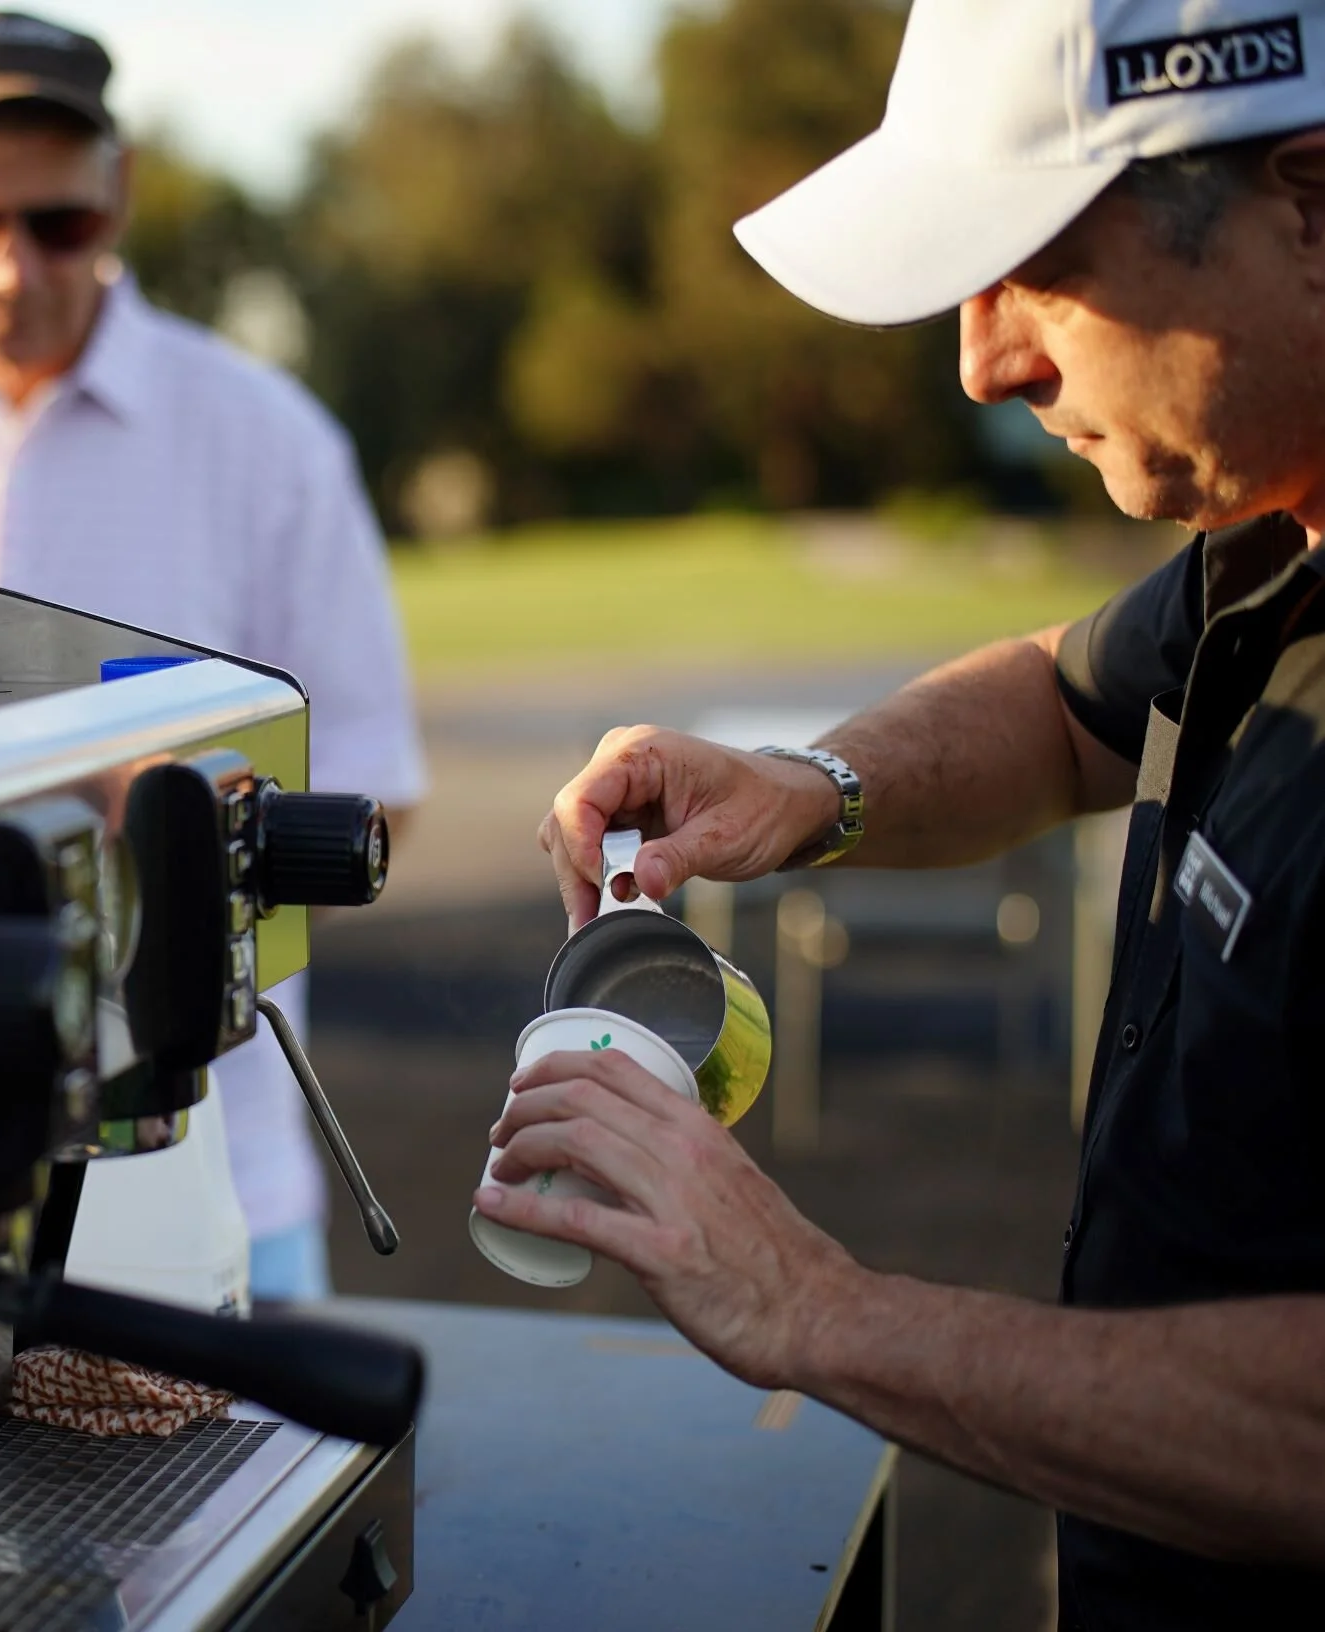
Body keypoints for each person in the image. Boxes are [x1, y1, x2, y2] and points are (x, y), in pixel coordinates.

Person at [489, 1, 1325, 1624]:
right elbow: (1065, 701)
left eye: (1033, 264)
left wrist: (816, 1308)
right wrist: (811, 789)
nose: (982, 358)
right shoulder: (1273, 528)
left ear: (1309, 204)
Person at [0, 13, 427, 1302]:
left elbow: (378, 790)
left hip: (216, 1169)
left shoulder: (269, 441)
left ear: (123, 187)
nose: (11, 270)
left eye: (59, 223)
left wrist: (184, 814)